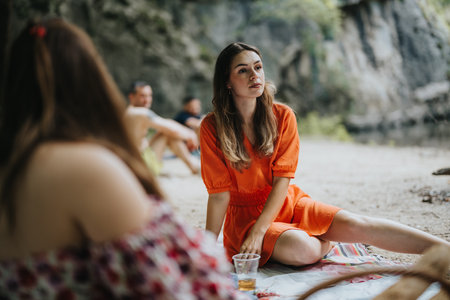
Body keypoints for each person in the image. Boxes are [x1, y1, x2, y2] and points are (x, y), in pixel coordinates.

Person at [0, 19, 249, 299]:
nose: (145, 99)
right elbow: (166, 286)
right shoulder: (84, 168)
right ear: (90, 79)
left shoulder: (14, 166)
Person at [200, 42, 450, 267]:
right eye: (243, 70)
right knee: (301, 248)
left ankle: (445, 251)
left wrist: (261, 230)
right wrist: (208, 248)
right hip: (246, 222)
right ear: (227, 81)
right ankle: (329, 242)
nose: (255, 75)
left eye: (258, 67)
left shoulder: (282, 115)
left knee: (358, 224)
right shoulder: (212, 127)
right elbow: (219, 195)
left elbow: (282, 181)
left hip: (288, 203)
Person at [127, 82, 201, 175]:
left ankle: (195, 166)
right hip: (141, 167)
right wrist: (191, 136)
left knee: (162, 132)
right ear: (131, 96)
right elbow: (170, 128)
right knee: (167, 133)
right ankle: (195, 167)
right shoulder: (138, 113)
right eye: (142, 96)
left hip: (137, 160)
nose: (147, 100)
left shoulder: (130, 113)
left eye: (149, 96)